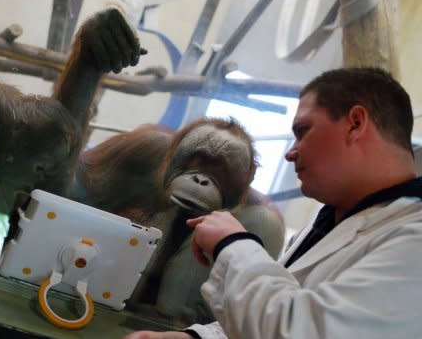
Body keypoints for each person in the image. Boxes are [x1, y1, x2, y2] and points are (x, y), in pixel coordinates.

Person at [123, 67, 422, 338]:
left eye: (303, 132)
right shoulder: (330, 222)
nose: (290, 153)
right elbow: (276, 313)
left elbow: (304, 333)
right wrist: (193, 338)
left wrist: (233, 244)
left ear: (355, 124)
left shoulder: (414, 240)